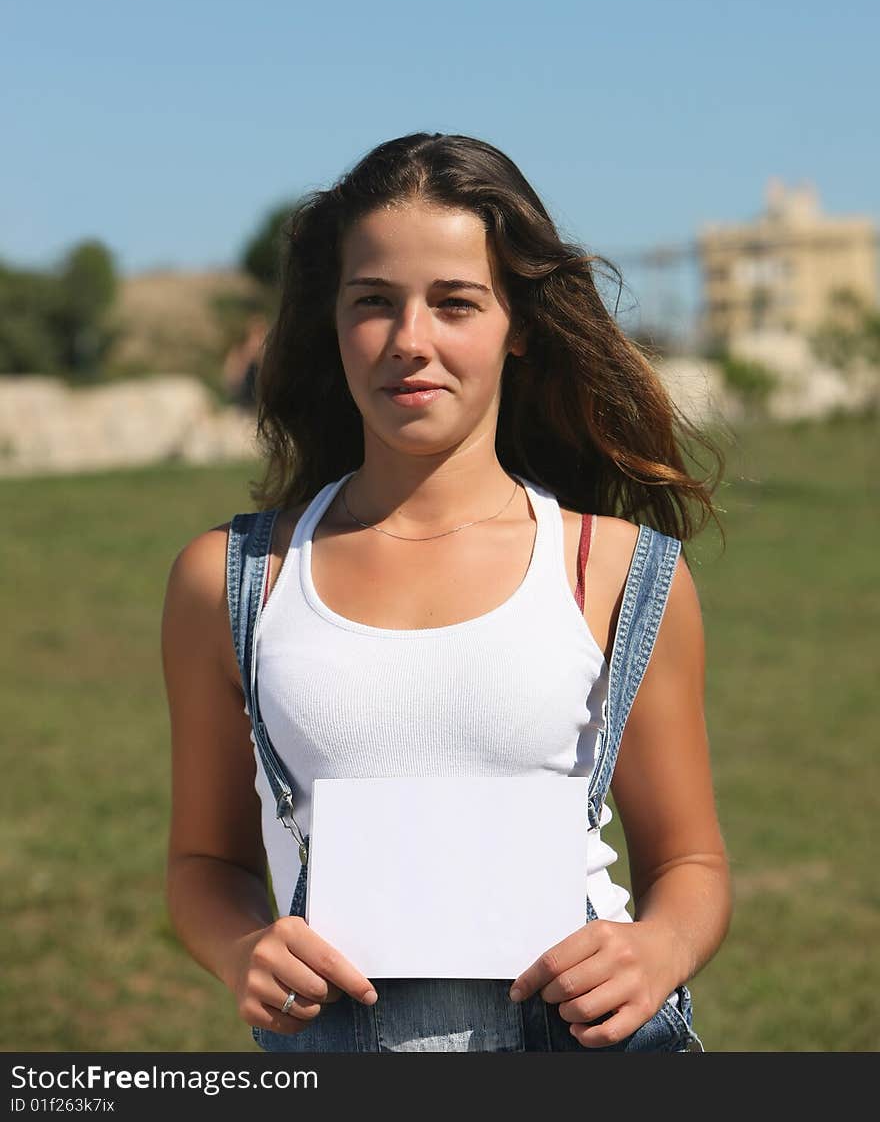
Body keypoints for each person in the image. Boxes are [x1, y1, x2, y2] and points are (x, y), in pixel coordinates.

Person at [161, 131, 732, 1054]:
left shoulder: (617, 569)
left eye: (456, 303)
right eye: (374, 302)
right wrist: (241, 949)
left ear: (521, 330)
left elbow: (692, 862)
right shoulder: (232, 581)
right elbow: (204, 862)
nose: (410, 341)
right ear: (332, 322)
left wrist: (658, 947)